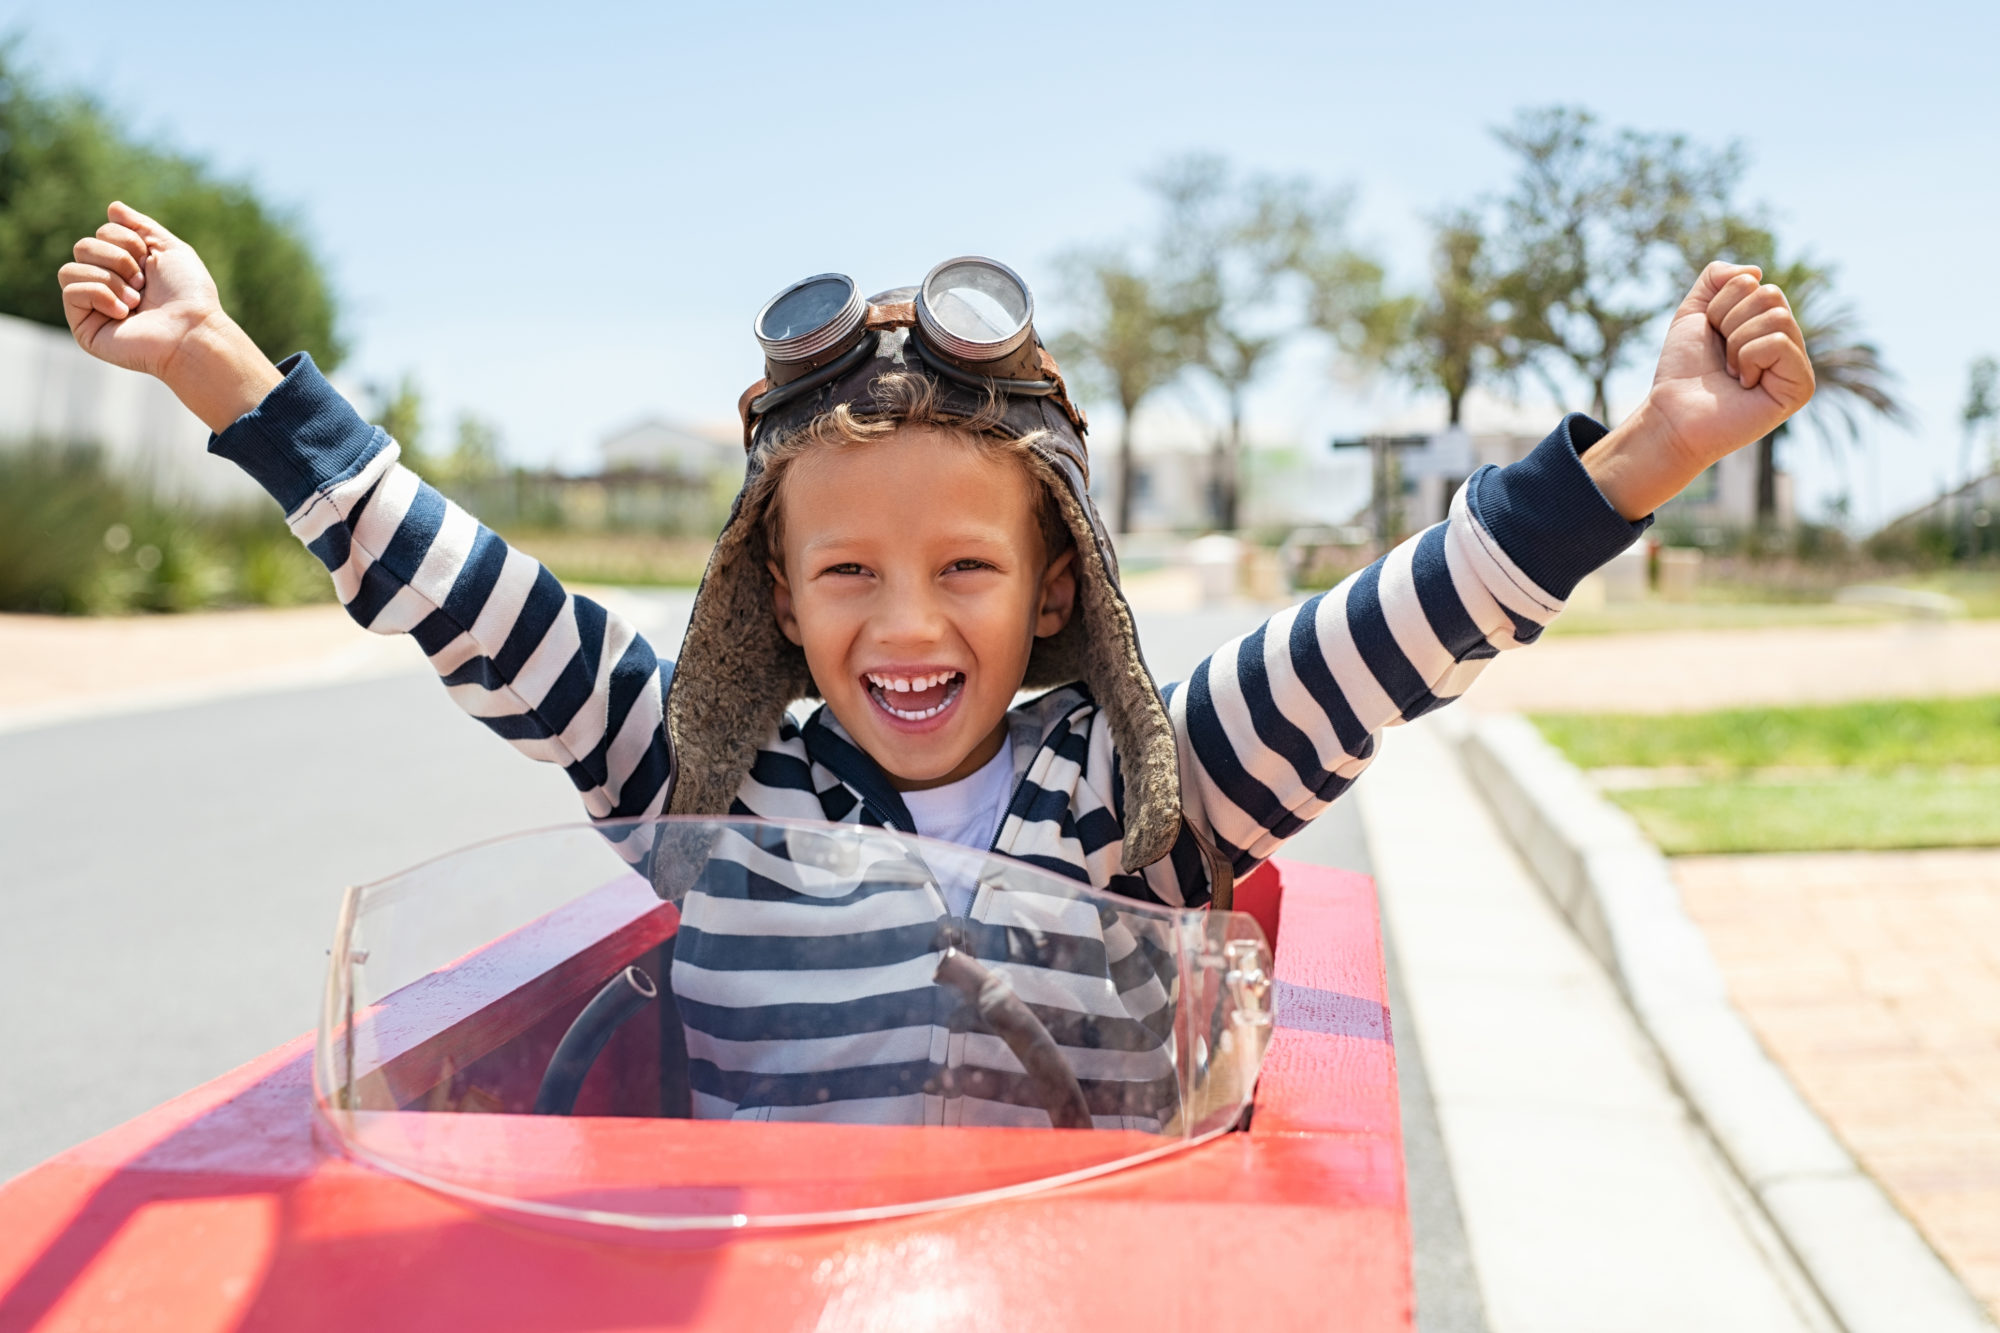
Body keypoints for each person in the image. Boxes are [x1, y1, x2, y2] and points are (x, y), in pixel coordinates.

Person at [58, 203, 1814, 1126]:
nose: (907, 622)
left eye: (966, 564)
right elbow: (465, 595)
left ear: (1058, 588)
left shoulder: (1147, 785)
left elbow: (1402, 625)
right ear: (777, 601)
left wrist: (1646, 454)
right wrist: (226, 373)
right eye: (849, 573)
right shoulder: (714, 781)